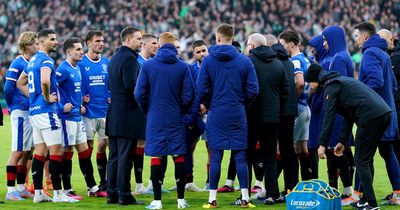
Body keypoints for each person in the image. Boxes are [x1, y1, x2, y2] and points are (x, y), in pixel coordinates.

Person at [307, 64, 392, 210]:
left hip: (370, 117)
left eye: (310, 83)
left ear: (315, 80)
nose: (310, 87)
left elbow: (329, 116)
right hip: (383, 113)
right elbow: (348, 116)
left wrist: (322, 144)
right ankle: (365, 200)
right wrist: (341, 141)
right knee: (366, 159)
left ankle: (371, 205)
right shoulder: (340, 81)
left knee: (361, 160)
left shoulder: (331, 86)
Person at [198, 23, 259, 208]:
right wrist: (242, 104)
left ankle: (212, 199)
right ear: (232, 38)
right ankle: (246, 198)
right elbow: (253, 90)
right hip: (237, 112)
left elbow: (201, 88)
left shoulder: (208, 61)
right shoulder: (244, 60)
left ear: (217, 38)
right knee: (241, 156)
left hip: (216, 112)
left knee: (216, 155)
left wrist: (209, 104)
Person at [135, 32, 193, 210]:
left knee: (156, 155)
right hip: (175, 117)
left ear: (159, 45)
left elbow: (139, 93)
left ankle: (157, 201)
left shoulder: (149, 66)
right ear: (175, 45)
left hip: (155, 117)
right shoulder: (183, 66)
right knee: (179, 155)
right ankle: (181, 200)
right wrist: (180, 109)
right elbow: (189, 94)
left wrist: (148, 110)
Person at [16, 28, 75, 203]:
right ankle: (58, 193)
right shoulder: (46, 61)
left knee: (40, 152)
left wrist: (34, 97)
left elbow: (21, 83)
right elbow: (44, 81)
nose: (56, 42)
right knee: (56, 152)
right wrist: (47, 97)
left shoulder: (32, 61)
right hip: (47, 112)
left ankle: (38, 193)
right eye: (52, 39)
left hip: (35, 112)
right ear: (41, 42)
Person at [353, 22, 400, 207]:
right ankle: (397, 194)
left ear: (365, 36)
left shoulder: (370, 53)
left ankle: (360, 196)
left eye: (357, 35)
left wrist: (361, 98)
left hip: (374, 114)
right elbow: (393, 85)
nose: (355, 39)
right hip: (388, 110)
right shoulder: (383, 54)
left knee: (363, 157)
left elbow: (375, 81)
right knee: (388, 154)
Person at [56, 37, 106, 199]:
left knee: (84, 151)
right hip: (67, 118)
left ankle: (92, 187)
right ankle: (67, 190)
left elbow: (73, 92)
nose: (81, 52)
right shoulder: (62, 69)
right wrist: (60, 106)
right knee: (67, 151)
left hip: (78, 116)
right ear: (68, 51)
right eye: (77, 49)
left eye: (81, 49)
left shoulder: (77, 68)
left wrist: (80, 104)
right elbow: (50, 88)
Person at [246, 33, 288, 205]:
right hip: (272, 117)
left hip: (252, 116)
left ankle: (245, 194)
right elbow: (285, 91)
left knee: (246, 156)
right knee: (270, 156)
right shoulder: (278, 64)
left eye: (248, 44)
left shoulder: (248, 62)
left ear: (253, 46)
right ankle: (272, 194)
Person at [106, 26, 145, 205]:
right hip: (127, 115)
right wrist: (144, 100)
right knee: (125, 157)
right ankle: (125, 194)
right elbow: (131, 86)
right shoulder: (130, 59)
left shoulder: (114, 58)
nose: (141, 42)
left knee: (114, 156)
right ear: (128, 40)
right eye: (138, 38)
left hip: (114, 113)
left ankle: (112, 194)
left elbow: (110, 84)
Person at [321, 25, 355, 205]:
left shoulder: (339, 59)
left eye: (326, 40)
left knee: (337, 151)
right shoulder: (342, 56)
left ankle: (348, 191)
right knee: (338, 152)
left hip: (339, 114)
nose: (324, 43)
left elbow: (338, 88)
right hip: (342, 112)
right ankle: (344, 190)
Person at [4, 31, 37, 201]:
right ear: (26, 45)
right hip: (21, 111)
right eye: (34, 43)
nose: (37, 45)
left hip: (32, 111)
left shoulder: (34, 62)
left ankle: (21, 188)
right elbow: (8, 89)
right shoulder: (18, 63)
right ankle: (10, 191)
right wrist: (13, 107)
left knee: (27, 152)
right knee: (17, 151)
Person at [77, 30, 110, 193]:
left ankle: (104, 182)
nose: (101, 43)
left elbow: (112, 84)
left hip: (105, 111)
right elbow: (73, 85)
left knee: (104, 145)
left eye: (102, 41)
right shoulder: (80, 63)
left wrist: (111, 96)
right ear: (88, 43)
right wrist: (81, 98)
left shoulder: (107, 63)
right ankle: (91, 184)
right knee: (87, 148)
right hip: (87, 113)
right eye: (97, 41)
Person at [278, 31, 313, 180]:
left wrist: (293, 100)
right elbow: (312, 86)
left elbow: (299, 83)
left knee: (288, 148)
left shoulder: (295, 61)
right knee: (302, 149)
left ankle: (289, 186)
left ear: (291, 44)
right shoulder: (307, 61)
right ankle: (308, 182)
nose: (281, 48)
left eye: (282, 45)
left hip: (297, 108)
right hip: (305, 107)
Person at [267, 35, 299, 198]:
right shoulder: (288, 61)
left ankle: (271, 192)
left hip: (275, 111)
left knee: (271, 151)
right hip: (290, 110)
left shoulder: (272, 62)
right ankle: (291, 188)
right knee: (289, 151)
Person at [378, 29, 400, 202]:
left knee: (395, 152)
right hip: (393, 110)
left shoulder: (394, 58)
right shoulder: (390, 57)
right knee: (392, 152)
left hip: (396, 111)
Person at [135, 33, 158, 195]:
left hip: (151, 110)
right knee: (139, 146)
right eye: (154, 43)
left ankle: (151, 183)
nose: (157, 46)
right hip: (140, 111)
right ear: (144, 44)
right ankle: (138, 185)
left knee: (148, 146)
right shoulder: (138, 62)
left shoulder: (152, 63)